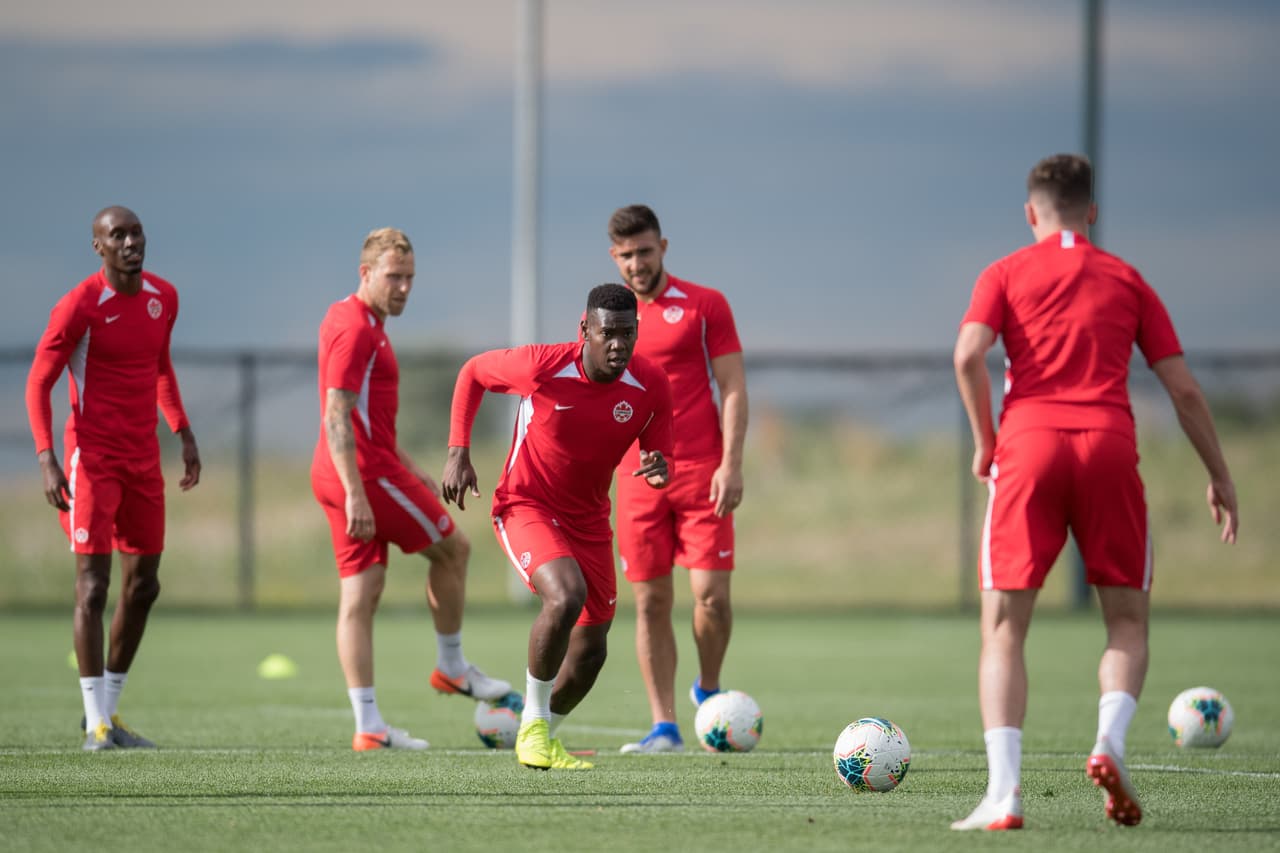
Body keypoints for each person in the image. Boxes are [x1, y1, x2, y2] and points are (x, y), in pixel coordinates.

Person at [950, 154, 1239, 831]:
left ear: (1031, 213)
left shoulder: (1005, 271)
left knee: (1003, 630)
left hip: (1029, 448)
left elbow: (967, 354)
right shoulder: (1126, 278)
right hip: (1109, 446)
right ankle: (1108, 740)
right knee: (1128, 621)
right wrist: (1220, 473)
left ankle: (1005, 795)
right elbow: (1186, 390)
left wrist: (985, 440)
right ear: (1093, 211)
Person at [441, 283, 674, 771]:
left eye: (627, 334)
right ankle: (531, 729)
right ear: (584, 330)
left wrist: (659, 467)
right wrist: (458, 451)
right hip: (524, 504)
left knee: (592, 650)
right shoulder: (542, 365)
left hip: (589, 520)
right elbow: (472, 374)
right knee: (565, 595)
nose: (618, 345)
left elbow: (658, 451)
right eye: (607, 333)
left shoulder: (651, 384)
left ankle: (543, 735)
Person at [311, 227, 510, 752]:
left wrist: (409, 465)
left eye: (410, 278)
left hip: (350, 469)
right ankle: (452, 668)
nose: (403, 287)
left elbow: (366, 417)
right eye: (393, 277)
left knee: (361, 593)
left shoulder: (356, 319)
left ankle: (369, 726)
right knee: (454, 548)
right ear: (365, 273)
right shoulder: (356, 329)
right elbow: (337, 412)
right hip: (364, 475)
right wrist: (358, 492)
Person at [25, 206, 202, 751]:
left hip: (143, 459)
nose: (130, 243)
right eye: (117, 236)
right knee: (93, 586)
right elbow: (39, 381)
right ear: (97, 247)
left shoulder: (163, 298)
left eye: (136, 233)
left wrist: (183, 431)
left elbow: (160, 367)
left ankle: (107, 712)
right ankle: (95, 722)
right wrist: (48, 457)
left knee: (144, 586)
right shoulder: (79, 305)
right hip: (92, 460)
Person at [604, 205, 748, 754]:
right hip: (637, 478)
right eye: (626, 255)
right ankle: (664, 726)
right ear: (613, 258)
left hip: (702, 472)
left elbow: (732, 385)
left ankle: (708, 691)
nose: (637, 264)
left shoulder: (705, 306)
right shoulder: (607, 315)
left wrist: (731, 464)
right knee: (650, 604)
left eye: (644, 251)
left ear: (663, 247)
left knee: (709, 597)